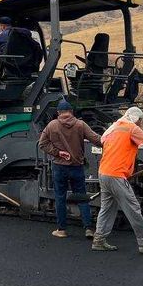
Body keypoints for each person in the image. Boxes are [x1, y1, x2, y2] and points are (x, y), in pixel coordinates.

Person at [91, 107, 143, 254]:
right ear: (136, 118)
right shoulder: (132, 128)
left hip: (104, 173)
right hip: (116, 175)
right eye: (140, 120)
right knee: (133, 207)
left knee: (107, 208)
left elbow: (106, 143)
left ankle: (99, 240)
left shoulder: (113, 128)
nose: (141, 123)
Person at [38, 99, 101, 239]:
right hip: (77, 166)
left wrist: (58, 152)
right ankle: (88, 228)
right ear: (71, 112)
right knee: (82, 196)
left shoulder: (52, 125)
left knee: (60, 197)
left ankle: (62, 230)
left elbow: (42, 144)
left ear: (58, 112)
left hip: (59, 167)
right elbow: (97, 140)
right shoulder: (80, 124)